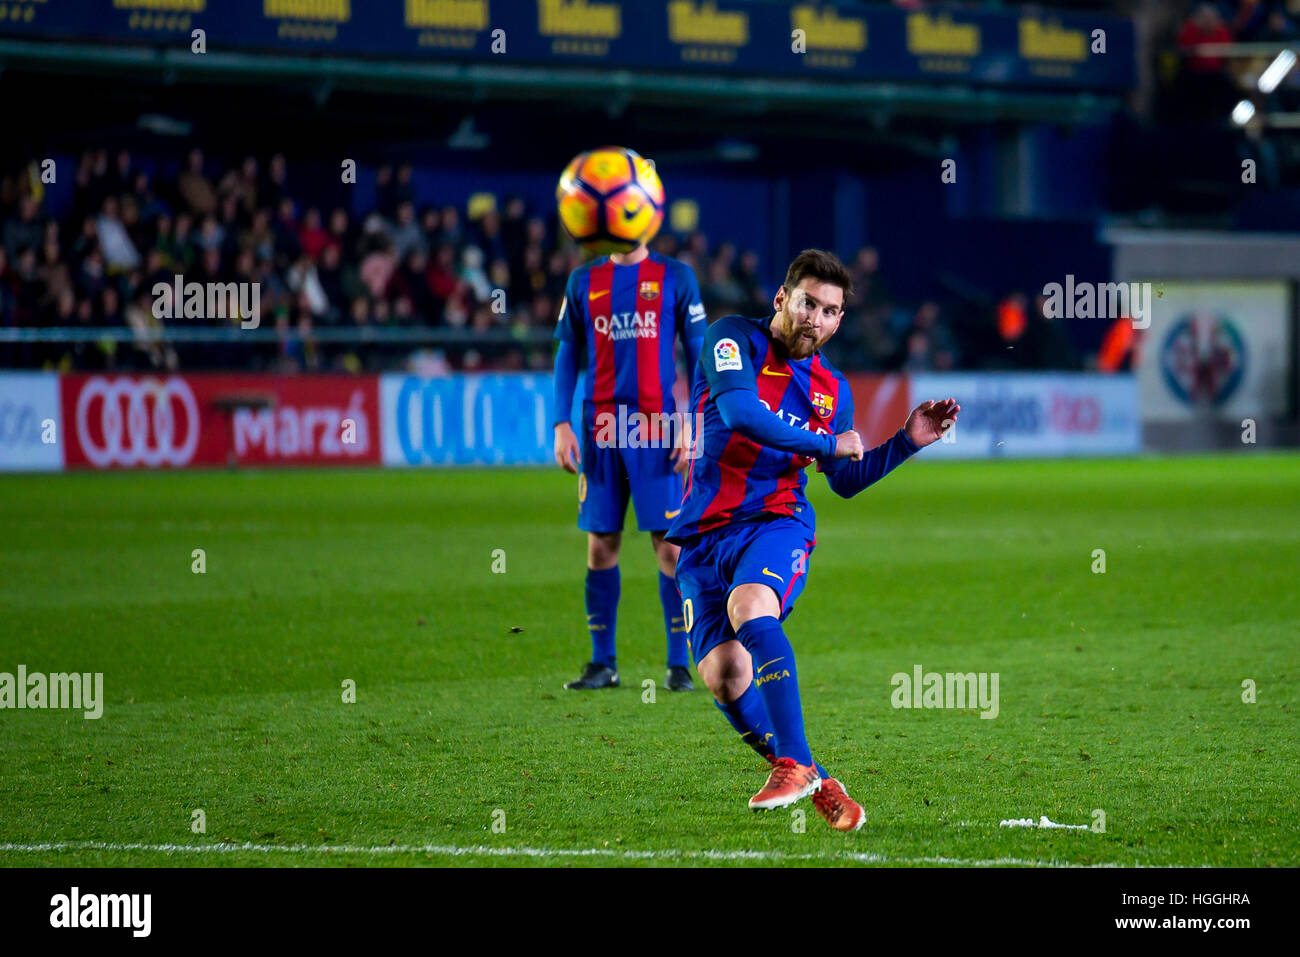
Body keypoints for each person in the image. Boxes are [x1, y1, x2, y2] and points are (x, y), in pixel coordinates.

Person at [667, 249, 959, 830]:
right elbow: (743, 414)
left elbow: (846, 482)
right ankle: (818, 779)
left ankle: (795, 763)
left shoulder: (831, 388)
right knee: (724, 676)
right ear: (782, 298)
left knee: (750, 604)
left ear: (839, 321)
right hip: (703, 534)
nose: (816, 320)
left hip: (777, 522)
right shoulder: (732, 341)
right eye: (808, 303)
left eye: (830, 311)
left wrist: (904, 442)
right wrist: (827, 445)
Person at [553, 239, 707, 692]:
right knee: (601, 545)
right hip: (600, 427)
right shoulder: (583, 279)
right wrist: (561, 422)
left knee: (669, 547)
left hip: (656, 427)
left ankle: (679, 665)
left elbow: (699, 356)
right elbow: (567, 355)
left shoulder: (676, 277)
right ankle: (603, 664)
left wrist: (694, 423)